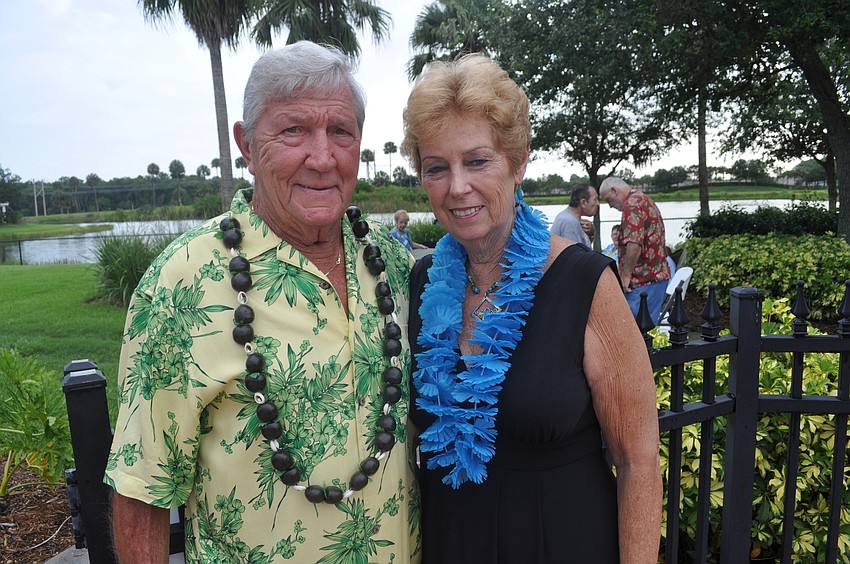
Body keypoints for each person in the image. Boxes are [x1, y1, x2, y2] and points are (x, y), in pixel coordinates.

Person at [106, 41, 421, 563]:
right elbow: (143, 487)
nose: (322, 157)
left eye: (340, 131)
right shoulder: (185, 281)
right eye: (293, 130)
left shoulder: (393, 263)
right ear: (246, 146)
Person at [400, 54, 661, 562]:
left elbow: (638, 461)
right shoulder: (422, 282)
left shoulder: (585, 283)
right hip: (449, 542)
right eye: (437, 168)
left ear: (519, 163)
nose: (457, 187)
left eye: (477, 161)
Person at [599, 176, 671, 324]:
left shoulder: (631, 205)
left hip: (643, 281)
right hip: (656, 277)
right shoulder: (642, 199)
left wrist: (625, 276)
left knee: (634, 331)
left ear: (614, 190)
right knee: (647, 331)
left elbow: (634, 243)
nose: (610, 206)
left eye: (608, 200)